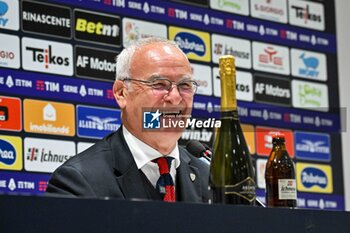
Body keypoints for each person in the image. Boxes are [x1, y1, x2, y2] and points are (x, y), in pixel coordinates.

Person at [46, 37, 209, 203]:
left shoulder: (211, 177)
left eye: (185, 85)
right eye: (159, 84)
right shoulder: (78, 181)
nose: (175, 97)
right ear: (121, 93)